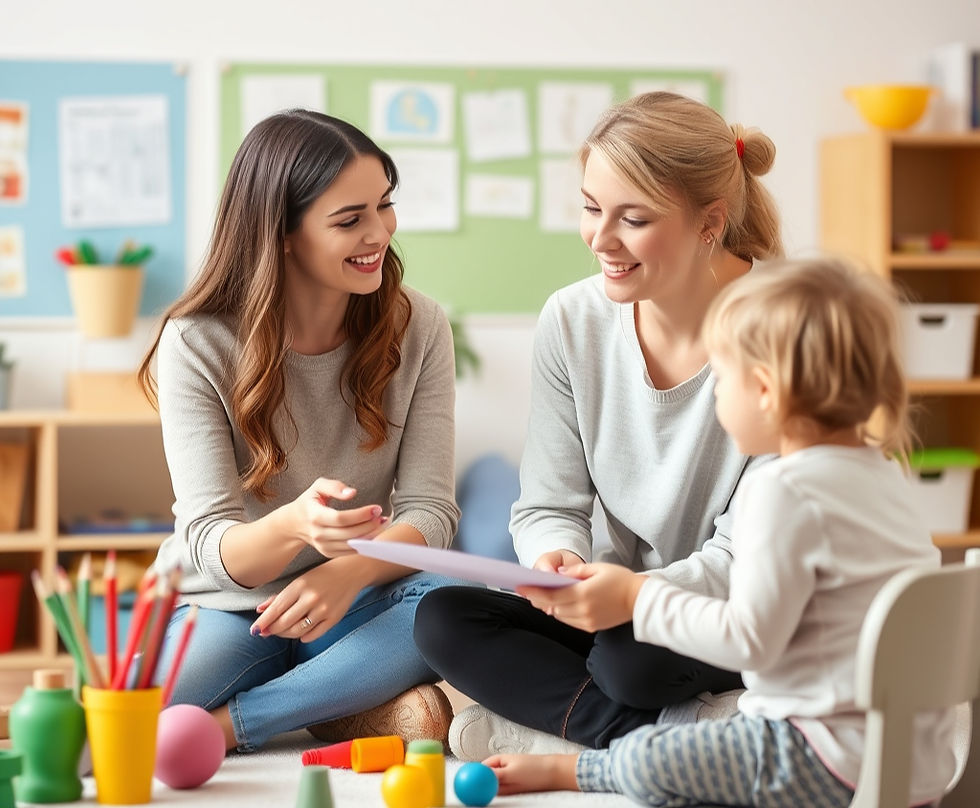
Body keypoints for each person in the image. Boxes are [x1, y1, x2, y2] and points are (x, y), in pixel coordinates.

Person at [483, 257, 956, 807]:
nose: (713, 394)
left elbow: (749, 639)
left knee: (655, 756)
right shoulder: (884, 474)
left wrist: (638, 595)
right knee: (699, 766)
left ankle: (579, 772)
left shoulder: (785, 489)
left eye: (722, 376)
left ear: (764, 390)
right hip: (913, 757)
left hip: (820, 758)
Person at [414, 90, 784, 759]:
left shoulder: (786, 327)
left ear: (710, 224)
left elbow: (752, 554)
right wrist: (557, 560)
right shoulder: (571, 319)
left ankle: (573, 729)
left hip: (734, 607)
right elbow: (548, 502)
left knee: (628, 666)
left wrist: (638, 595)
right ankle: (680, 739)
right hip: (614, 604)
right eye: (590, 208)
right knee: (443, 620)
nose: (600, 239)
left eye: (633, 218)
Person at [138, 109, 461, 753]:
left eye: (384, 205)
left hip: (358, 595)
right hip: (227, 602)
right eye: (350, 219)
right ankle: (339, 699)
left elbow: (432, 511)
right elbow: (210, 543)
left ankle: (240, 723)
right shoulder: (198, 341)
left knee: (452, 607)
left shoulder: (419, 325)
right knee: (141, 720)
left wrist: (348, 572)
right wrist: (294, 525)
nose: (380, 233)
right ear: (281, 233)